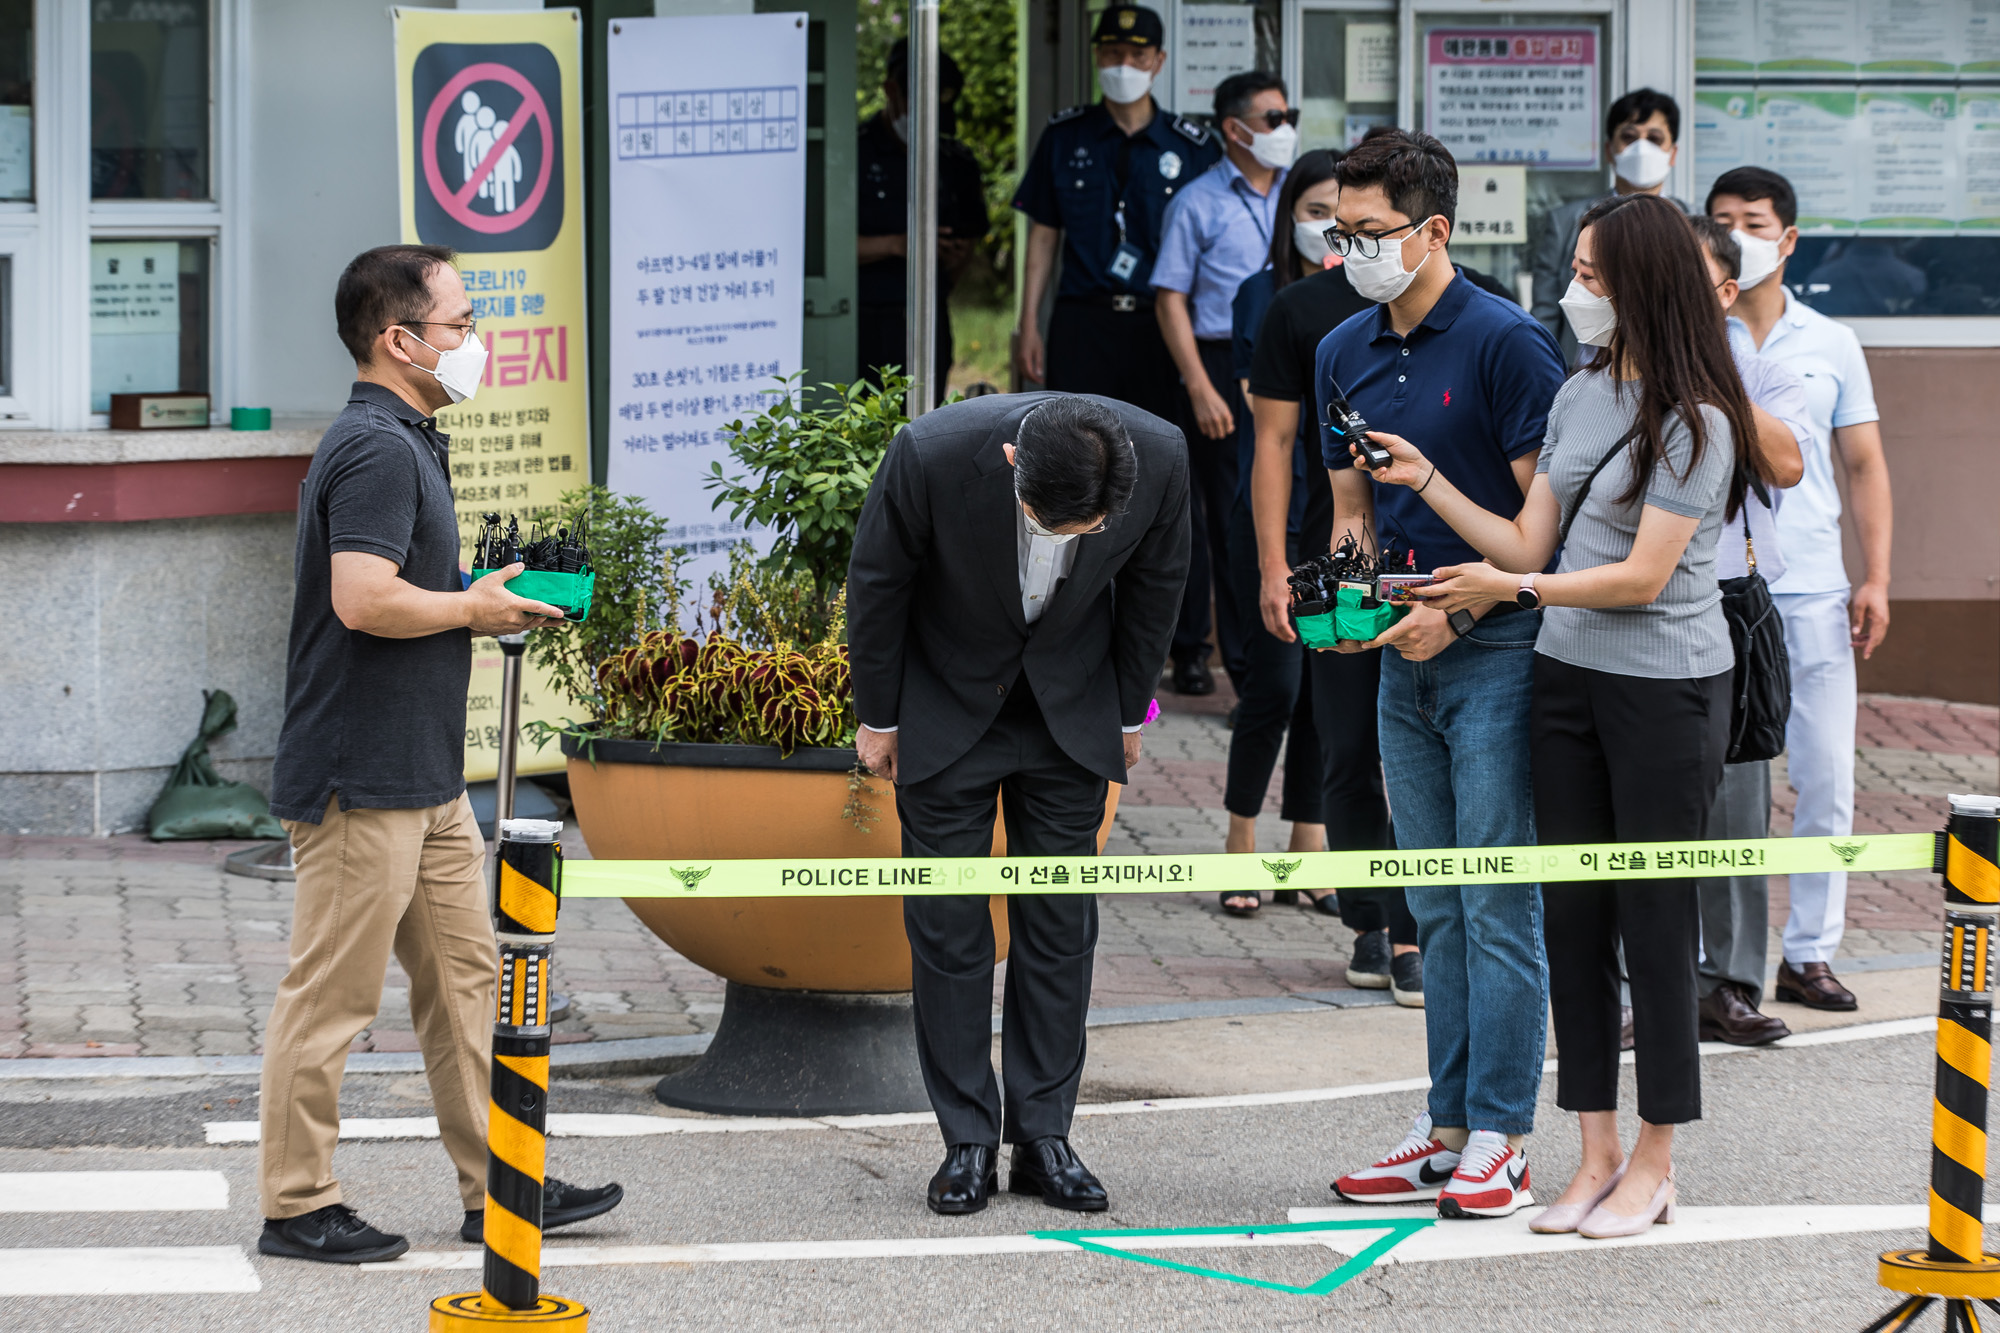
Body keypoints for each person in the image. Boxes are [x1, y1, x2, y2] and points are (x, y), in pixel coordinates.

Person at [1366, 192, 1761, 1238]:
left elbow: (1636, 578)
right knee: (1574, 921)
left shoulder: (1698, 419)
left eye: (1591, 275)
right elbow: (1528, 544)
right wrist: (1432, 485)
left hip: (1665, 691)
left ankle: (1654, 1158)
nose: (1572, 290)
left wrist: (1512, 594)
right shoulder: (1583, 392)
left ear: (1642, 284)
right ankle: (1588, 1152)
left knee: (1653, 924)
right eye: (1576, 271)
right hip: (1565, 680)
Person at [258, 245, 622, 1264]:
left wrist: (477, 590)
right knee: (330, 994)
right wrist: (470, 604)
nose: (474, 342)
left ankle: (500, 1180)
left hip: (423, 777)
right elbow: (360, 598)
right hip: (357, 775)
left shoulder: (410, 436)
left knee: (470, 981)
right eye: (459, 325)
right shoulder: (375, 445)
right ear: (399, 340)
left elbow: (400, 581)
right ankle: (296, 1202)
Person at [846, 392, 1190, 1217]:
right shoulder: (930, 452)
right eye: (1051, 523)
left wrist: (1128, 709)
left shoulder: (1162, 455)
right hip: (946, 700)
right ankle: (966, 1137)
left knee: (1060, 925)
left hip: (1072, 707)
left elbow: (1158, 581)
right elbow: (879, 579)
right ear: (1012, 466)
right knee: (949, 924)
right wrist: (878, 717)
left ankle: (1044, 1136)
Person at [1316, 128, 1564, 1216]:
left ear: (1432, 231)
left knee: (1495, 894)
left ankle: (1502, 1132)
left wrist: (1451, 619)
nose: (1350, 252)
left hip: (1497, 649)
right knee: (1432, 901)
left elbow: (1533, 546)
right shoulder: (1340, 351)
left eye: (1368, 234)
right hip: (1397, 656)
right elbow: (1350, 515)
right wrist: (1351, 605)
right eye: (1338, 232)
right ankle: (1446, 1121)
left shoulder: (1510, 346)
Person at [1708, 166, 1894, 1014]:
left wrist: (1877, 575)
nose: (1736, 234)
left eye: (1752, 221)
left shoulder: (1832, 342)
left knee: (1822, 774)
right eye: (1721, 221)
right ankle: (1722, 964)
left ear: (1787, 240)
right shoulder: (1692, 334)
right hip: (1719, 585)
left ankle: (1810, 951)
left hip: (1815, 584)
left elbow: (1863, 465)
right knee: (1726, 785)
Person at [1687, 217, 1810, 1046]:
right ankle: (1633, 984)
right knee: (1635, 810)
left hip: (1726, 601)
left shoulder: (1763, 372)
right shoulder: (1605, 367)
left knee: (1736, 808)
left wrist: (1706, 368)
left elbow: (1788, 463)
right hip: (1624, 607)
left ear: (1726, 291)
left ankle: (1729, 982)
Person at [1214, 147, 1341, 918]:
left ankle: (1309, 845)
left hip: (1337, 522)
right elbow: (1271, 428)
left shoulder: (1367, 299)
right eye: (1317, 211)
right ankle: (1238, 842)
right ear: (1288, 213)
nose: (1330, 228)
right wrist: (1274, 559)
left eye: (1347, 216)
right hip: (1269, 519)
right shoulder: (1264, 296)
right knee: (1275, 687)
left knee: (1325, 689)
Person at [1150, 71, 1294, 696]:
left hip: (1290, 363)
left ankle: (1282, 663)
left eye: (1288, 117)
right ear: (1234, 130)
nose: (1283, 131)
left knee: (1290, 512)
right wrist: (1200, 387)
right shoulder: (1197, 201)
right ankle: (1235, 669)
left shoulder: (1302, 197)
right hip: (1217, 365)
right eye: (1272, 119)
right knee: (1226, 520)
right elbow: (1170, 298)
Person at [1011, 5, 1219, 426]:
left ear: (1158, 61)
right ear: (1096, 56)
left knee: (1156, 444)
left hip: (1160, 322)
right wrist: (1028, 321)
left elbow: (1210, 244)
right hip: (1081, 320)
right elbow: (1044, 233)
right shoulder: (1064, 137)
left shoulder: (1192, 147)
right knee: (1074, 444)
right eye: (1112, 52)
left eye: (1137, 55)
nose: (1124, 65)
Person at [856, 38, 988, 400]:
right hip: (863, 319)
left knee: (925, 423)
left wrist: (949, 256)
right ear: (890, 90)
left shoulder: (955, 159)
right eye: (918, 102)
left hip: (927, 317)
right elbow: (828, 249)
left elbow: (969, 237)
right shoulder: (854, 153)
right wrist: (900, 244)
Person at [1530, 88, 1689, 366]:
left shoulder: (1692, 223)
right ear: (1609, 150)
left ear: (1673, 153)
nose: (1642, 148)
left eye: (1654, 138)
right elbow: (1546, 314)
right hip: (1584, 370)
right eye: (1629, 137)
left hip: (1669, 371)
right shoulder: (1566, 222)